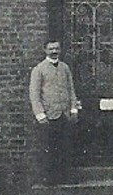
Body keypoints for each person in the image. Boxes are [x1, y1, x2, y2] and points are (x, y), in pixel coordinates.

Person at [28, 40, 81, 186]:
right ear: (45, 50)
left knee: (66, 147)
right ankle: (51, 180)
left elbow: (71, 90)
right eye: (51, 49)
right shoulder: (39, 70)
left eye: (56, 48)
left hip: (65, 114)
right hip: (49, 116)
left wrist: (73, 109)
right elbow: (34, 94)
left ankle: (66, 177)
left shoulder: (65, 68)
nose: (54, 51)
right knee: (51, 148)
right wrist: (40, 114)